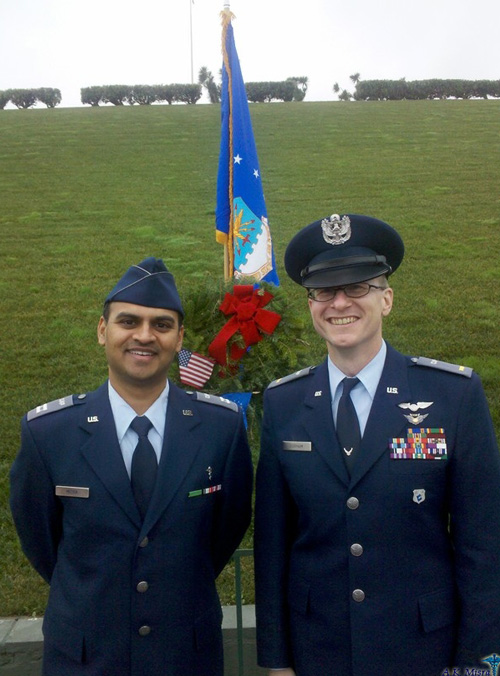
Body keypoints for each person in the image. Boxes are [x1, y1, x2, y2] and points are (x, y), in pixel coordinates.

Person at [254, 214, 500, 676]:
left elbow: (484, 546)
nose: (339, 302)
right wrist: (276, 660)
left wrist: (479, 664)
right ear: (310, 305)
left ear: (386, 299)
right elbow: (272, 544)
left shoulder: (452, 396)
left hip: (423, 650)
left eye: (358, 287)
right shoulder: (284, 403)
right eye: (324, 291)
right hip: (317, 652)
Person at [10, 257, 253, 676]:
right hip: (86, 657)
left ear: (180, 339)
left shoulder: (222, 427)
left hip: (186, 655)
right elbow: (42, 540)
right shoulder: (49, 433)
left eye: (161, 324)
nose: (144, 336)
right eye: (128, 321)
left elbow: (226, 531)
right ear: (103, 331)